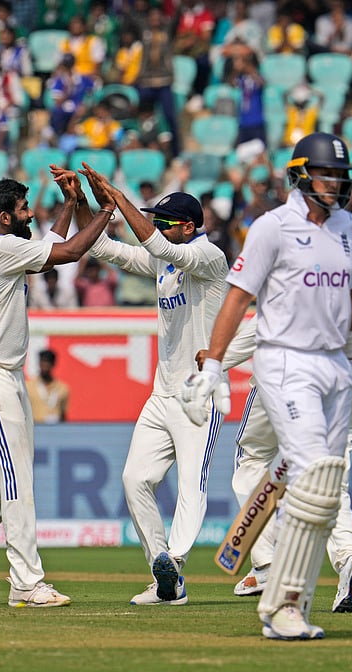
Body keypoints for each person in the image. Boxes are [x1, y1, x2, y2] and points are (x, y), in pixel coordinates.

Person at [180, 132, 352, 640]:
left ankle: (293, 601)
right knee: (314, 481)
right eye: (328, 175)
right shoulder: (272, 228)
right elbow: (237, 300)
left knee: (324, 492)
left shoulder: (347, 226)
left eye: (342, 176)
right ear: (302, 175)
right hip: (285, 363)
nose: (337, 184)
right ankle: (281, 606)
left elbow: (349, 300)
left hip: (334, 368)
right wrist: (213, 367)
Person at [0, 173, 116, 608]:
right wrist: (106, 208)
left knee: (10, 480)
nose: (33, 212)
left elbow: (47, 249)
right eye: (25, 208)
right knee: (17, 481)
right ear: (6, 217)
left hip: (4, 374)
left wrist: (70, 204)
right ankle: (26, 583)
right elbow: (66, 251)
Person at [71, 169, 230, 606]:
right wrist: (89, 202)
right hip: (162, 395)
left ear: (189, 227)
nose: (158, 227)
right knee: (134, 479)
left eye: (165, 221)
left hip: (201, 393)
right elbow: (102, 247)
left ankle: (175, 561)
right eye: (154, 220)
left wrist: (119, 196)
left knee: (191, 485)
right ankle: (164, 572)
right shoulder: (164, 259)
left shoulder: (207, 256)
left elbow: (156, 244)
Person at [223, 237, 352, 613]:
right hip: (342, 378)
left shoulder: (292, 245)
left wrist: (213, 362)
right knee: (331, 481)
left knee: (252, 459)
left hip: (288, 374)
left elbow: (265, 323)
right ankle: (349, 559)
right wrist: (348, 321)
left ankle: (268, 562)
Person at [26, 349, 69, 424]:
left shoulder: (62, 388)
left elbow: (63, 414)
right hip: (35, 428)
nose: (45, 366)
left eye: (47, 363)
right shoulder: (29, 386)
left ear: (53, 364)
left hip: (56, 429)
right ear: (39, 364)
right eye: (43, 363)